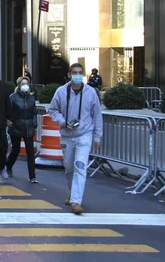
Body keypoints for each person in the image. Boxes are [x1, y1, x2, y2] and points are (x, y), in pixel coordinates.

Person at [48, 63, 103, 215]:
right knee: (69, 167)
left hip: (84, 135)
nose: (77, 75)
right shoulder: (61, 92)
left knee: (80, 166)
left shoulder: (91, 92)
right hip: (67, 135)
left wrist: (98, 136)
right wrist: (62, 122)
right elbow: (52, 110)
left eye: (80, 72)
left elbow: (97, 115)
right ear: (69, 74)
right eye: (75, 72)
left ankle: (76, 201)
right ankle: (73, 193)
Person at [6, 76, 38, 183]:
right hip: (16, 126)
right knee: (16, 149)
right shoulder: (13, 97)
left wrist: (34, 123)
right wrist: (9, 121)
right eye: (23, 84)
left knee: (30, 151)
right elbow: (8, 111)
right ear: (19, 86)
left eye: (27, 84)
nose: (25, 86)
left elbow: (34, 112)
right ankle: (8, 165)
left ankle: (32, 176)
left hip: (28, 127)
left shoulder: (31, 98)